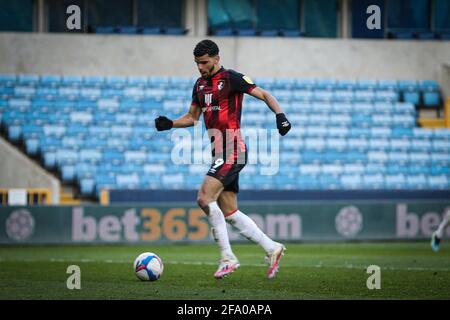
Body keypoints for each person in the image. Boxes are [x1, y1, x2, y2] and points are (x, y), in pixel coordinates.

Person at [155, 39, 291, 279]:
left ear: (217, 58)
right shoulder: (199, 85)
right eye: (197, 63)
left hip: (233, 149)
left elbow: (263, 94)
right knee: (230, 212)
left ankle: (228, 258)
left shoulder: (232, 78)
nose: (200, 67)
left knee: (204, 198)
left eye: (204, 62)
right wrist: (171, 124)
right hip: (219, 152)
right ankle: (272, 247)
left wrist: (280, 115)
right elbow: (192, 117)